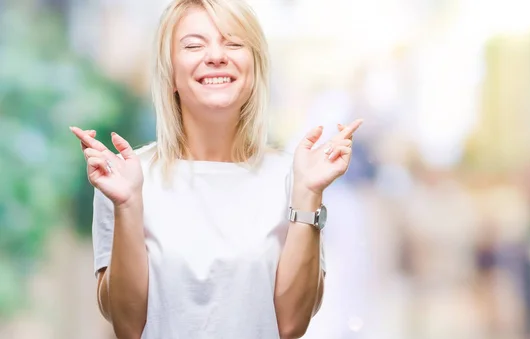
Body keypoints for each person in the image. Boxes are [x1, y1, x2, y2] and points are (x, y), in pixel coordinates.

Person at [69, 0, 363, 338]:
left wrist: (308, 193)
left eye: (234, 43)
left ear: (254, 69)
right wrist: (128, 204)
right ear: (171, 74)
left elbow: (291, 325)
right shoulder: (128, 178)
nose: (216, 56)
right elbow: (127, 325)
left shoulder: (294, 177)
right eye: (194, 45)